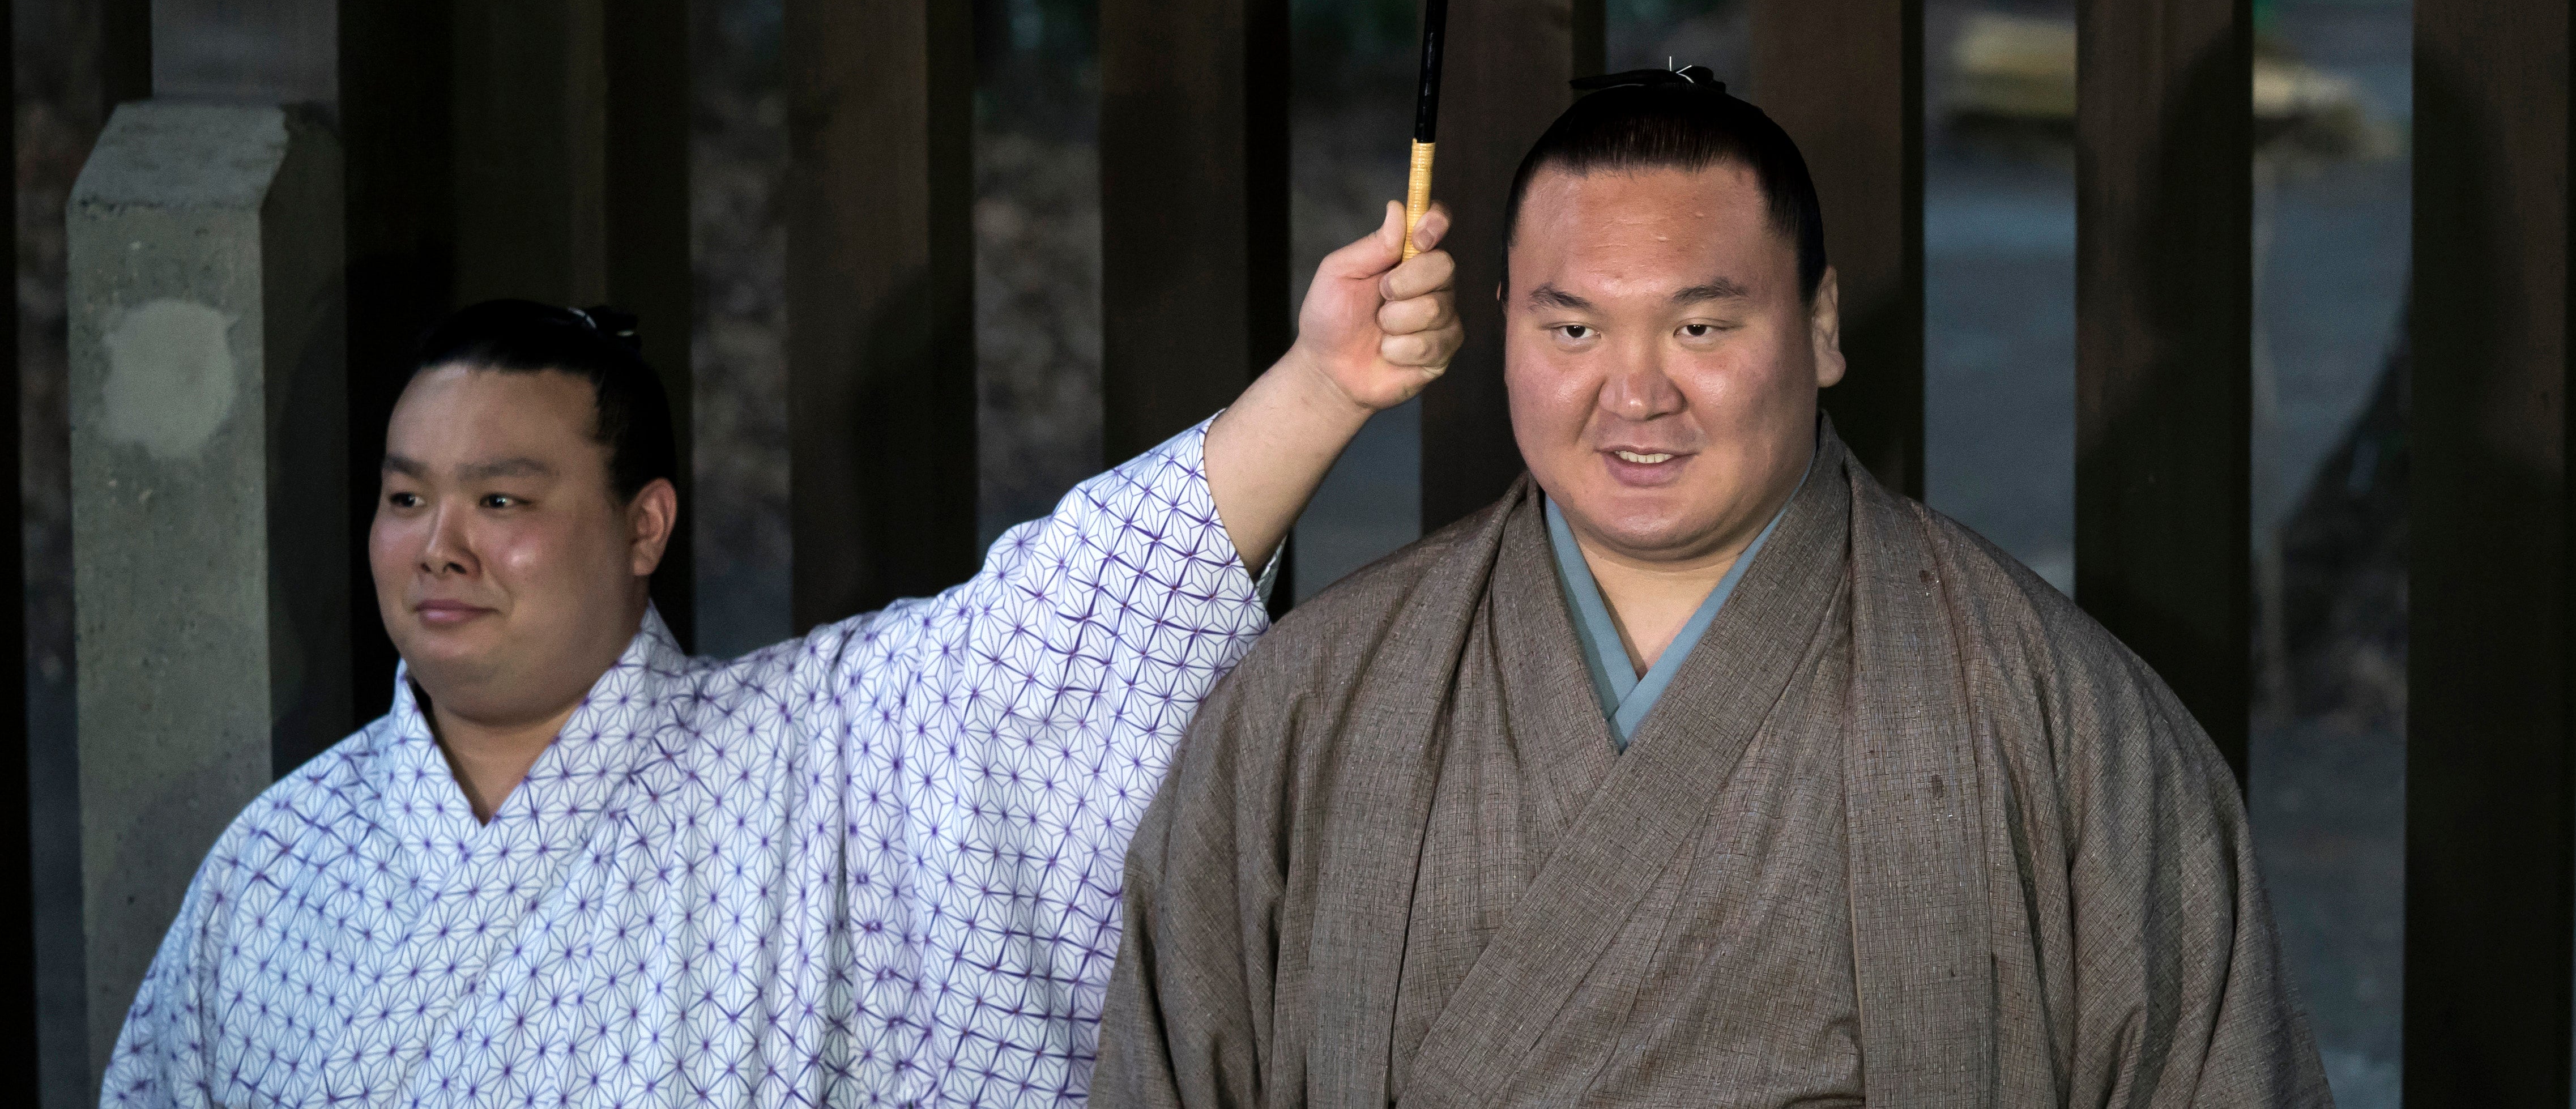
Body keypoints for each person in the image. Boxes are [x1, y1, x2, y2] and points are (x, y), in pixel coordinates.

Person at [1093, 69, 2334, 1108]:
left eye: (1698, 328)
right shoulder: (1314, 702)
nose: (1635, 394)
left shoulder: (2054, 713)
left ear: (1821, 325)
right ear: (1501, 328)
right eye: (1572, 330)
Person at [103, 202, 1462, 1109]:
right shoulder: (273, 865)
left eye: (501, 497)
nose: (439, 544)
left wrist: (1318, 384)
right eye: (407, 497)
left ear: (643, 525)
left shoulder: (814, 745)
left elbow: (1060, 624)